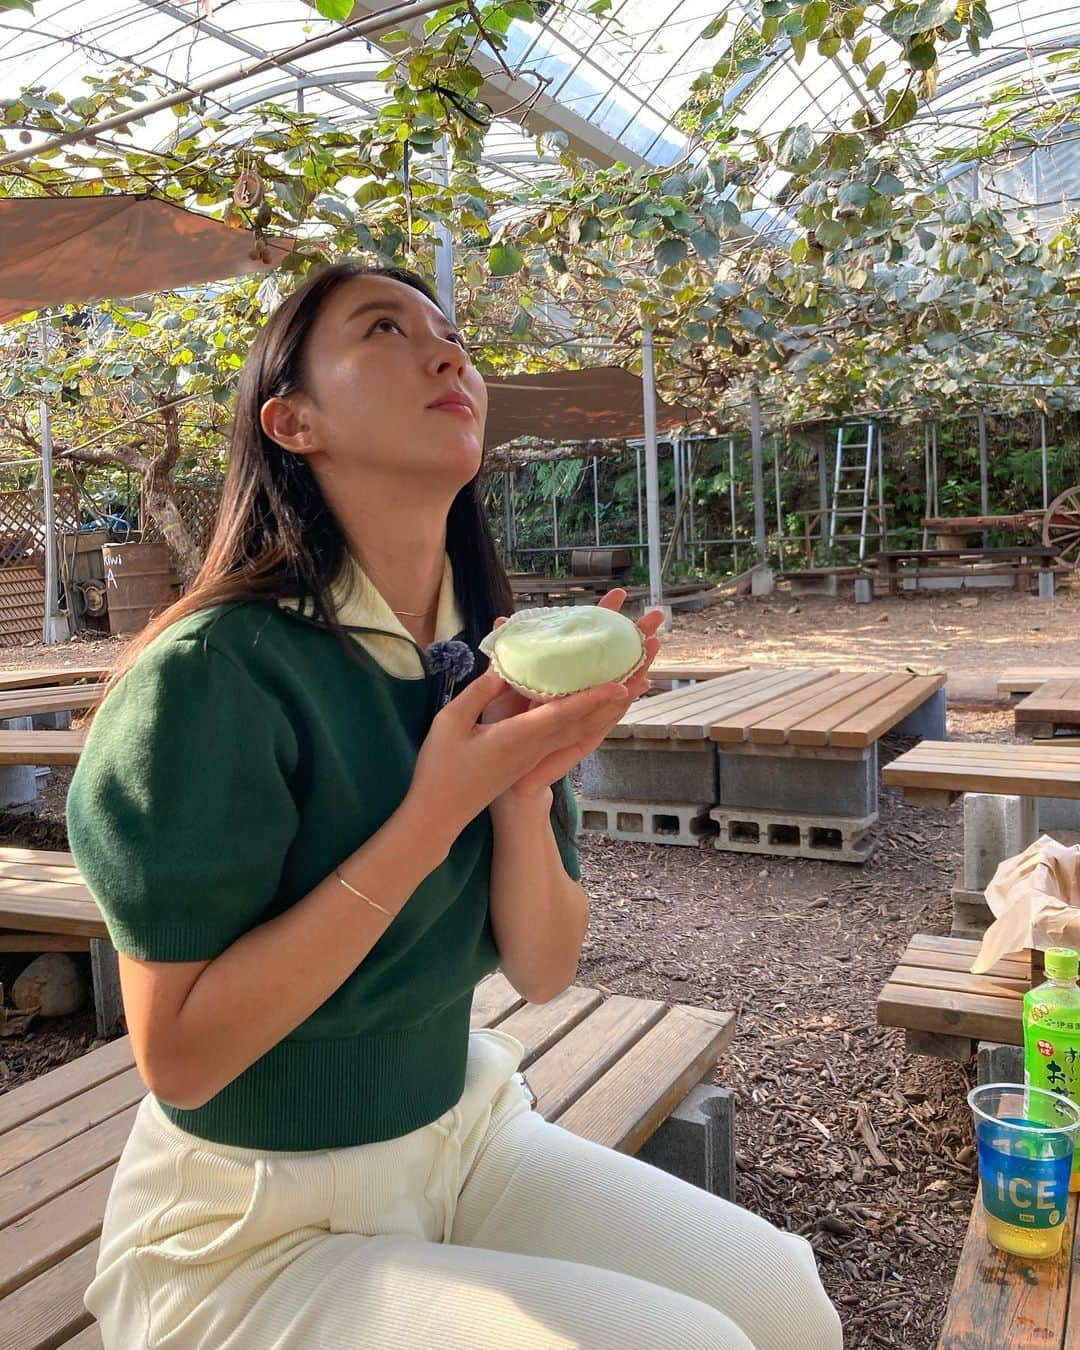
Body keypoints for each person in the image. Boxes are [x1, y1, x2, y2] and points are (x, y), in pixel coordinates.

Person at [68, 261, 843, 1349]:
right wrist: (435, 809)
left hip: (464, 1129)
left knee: (783, 1302)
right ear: (292, 422)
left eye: (453, 338)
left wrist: (521, 795)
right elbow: (183, 1057)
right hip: (250, 1225)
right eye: (384, 330)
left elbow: (543, 971)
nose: (450, 357)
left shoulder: (480, 658)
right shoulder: (209, 677)